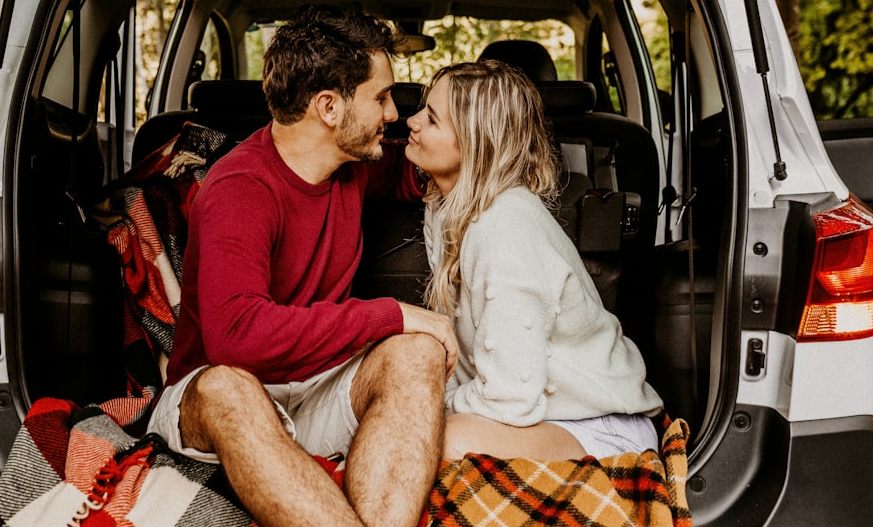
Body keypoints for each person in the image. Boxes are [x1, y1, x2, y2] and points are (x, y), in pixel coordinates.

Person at [146, 5, 459, 527]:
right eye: (381, 97)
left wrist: (474, 159)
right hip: (223, 399)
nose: (393, 115)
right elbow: (236, 339)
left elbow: (416, 172)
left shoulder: (353, 164)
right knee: (229, 389)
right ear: (329, 107)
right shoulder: (239, 189)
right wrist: (391, 314)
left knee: (417, 352)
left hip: (315, 387)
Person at [405, 60, 664, 461]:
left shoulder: (505, 228)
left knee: (432, 445)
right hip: (536, 414)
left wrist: (426, 408)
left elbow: (509, 399)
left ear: (475, 142)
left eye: (432, 118)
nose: (412, 121)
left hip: (599, 423)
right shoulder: (445, 209)